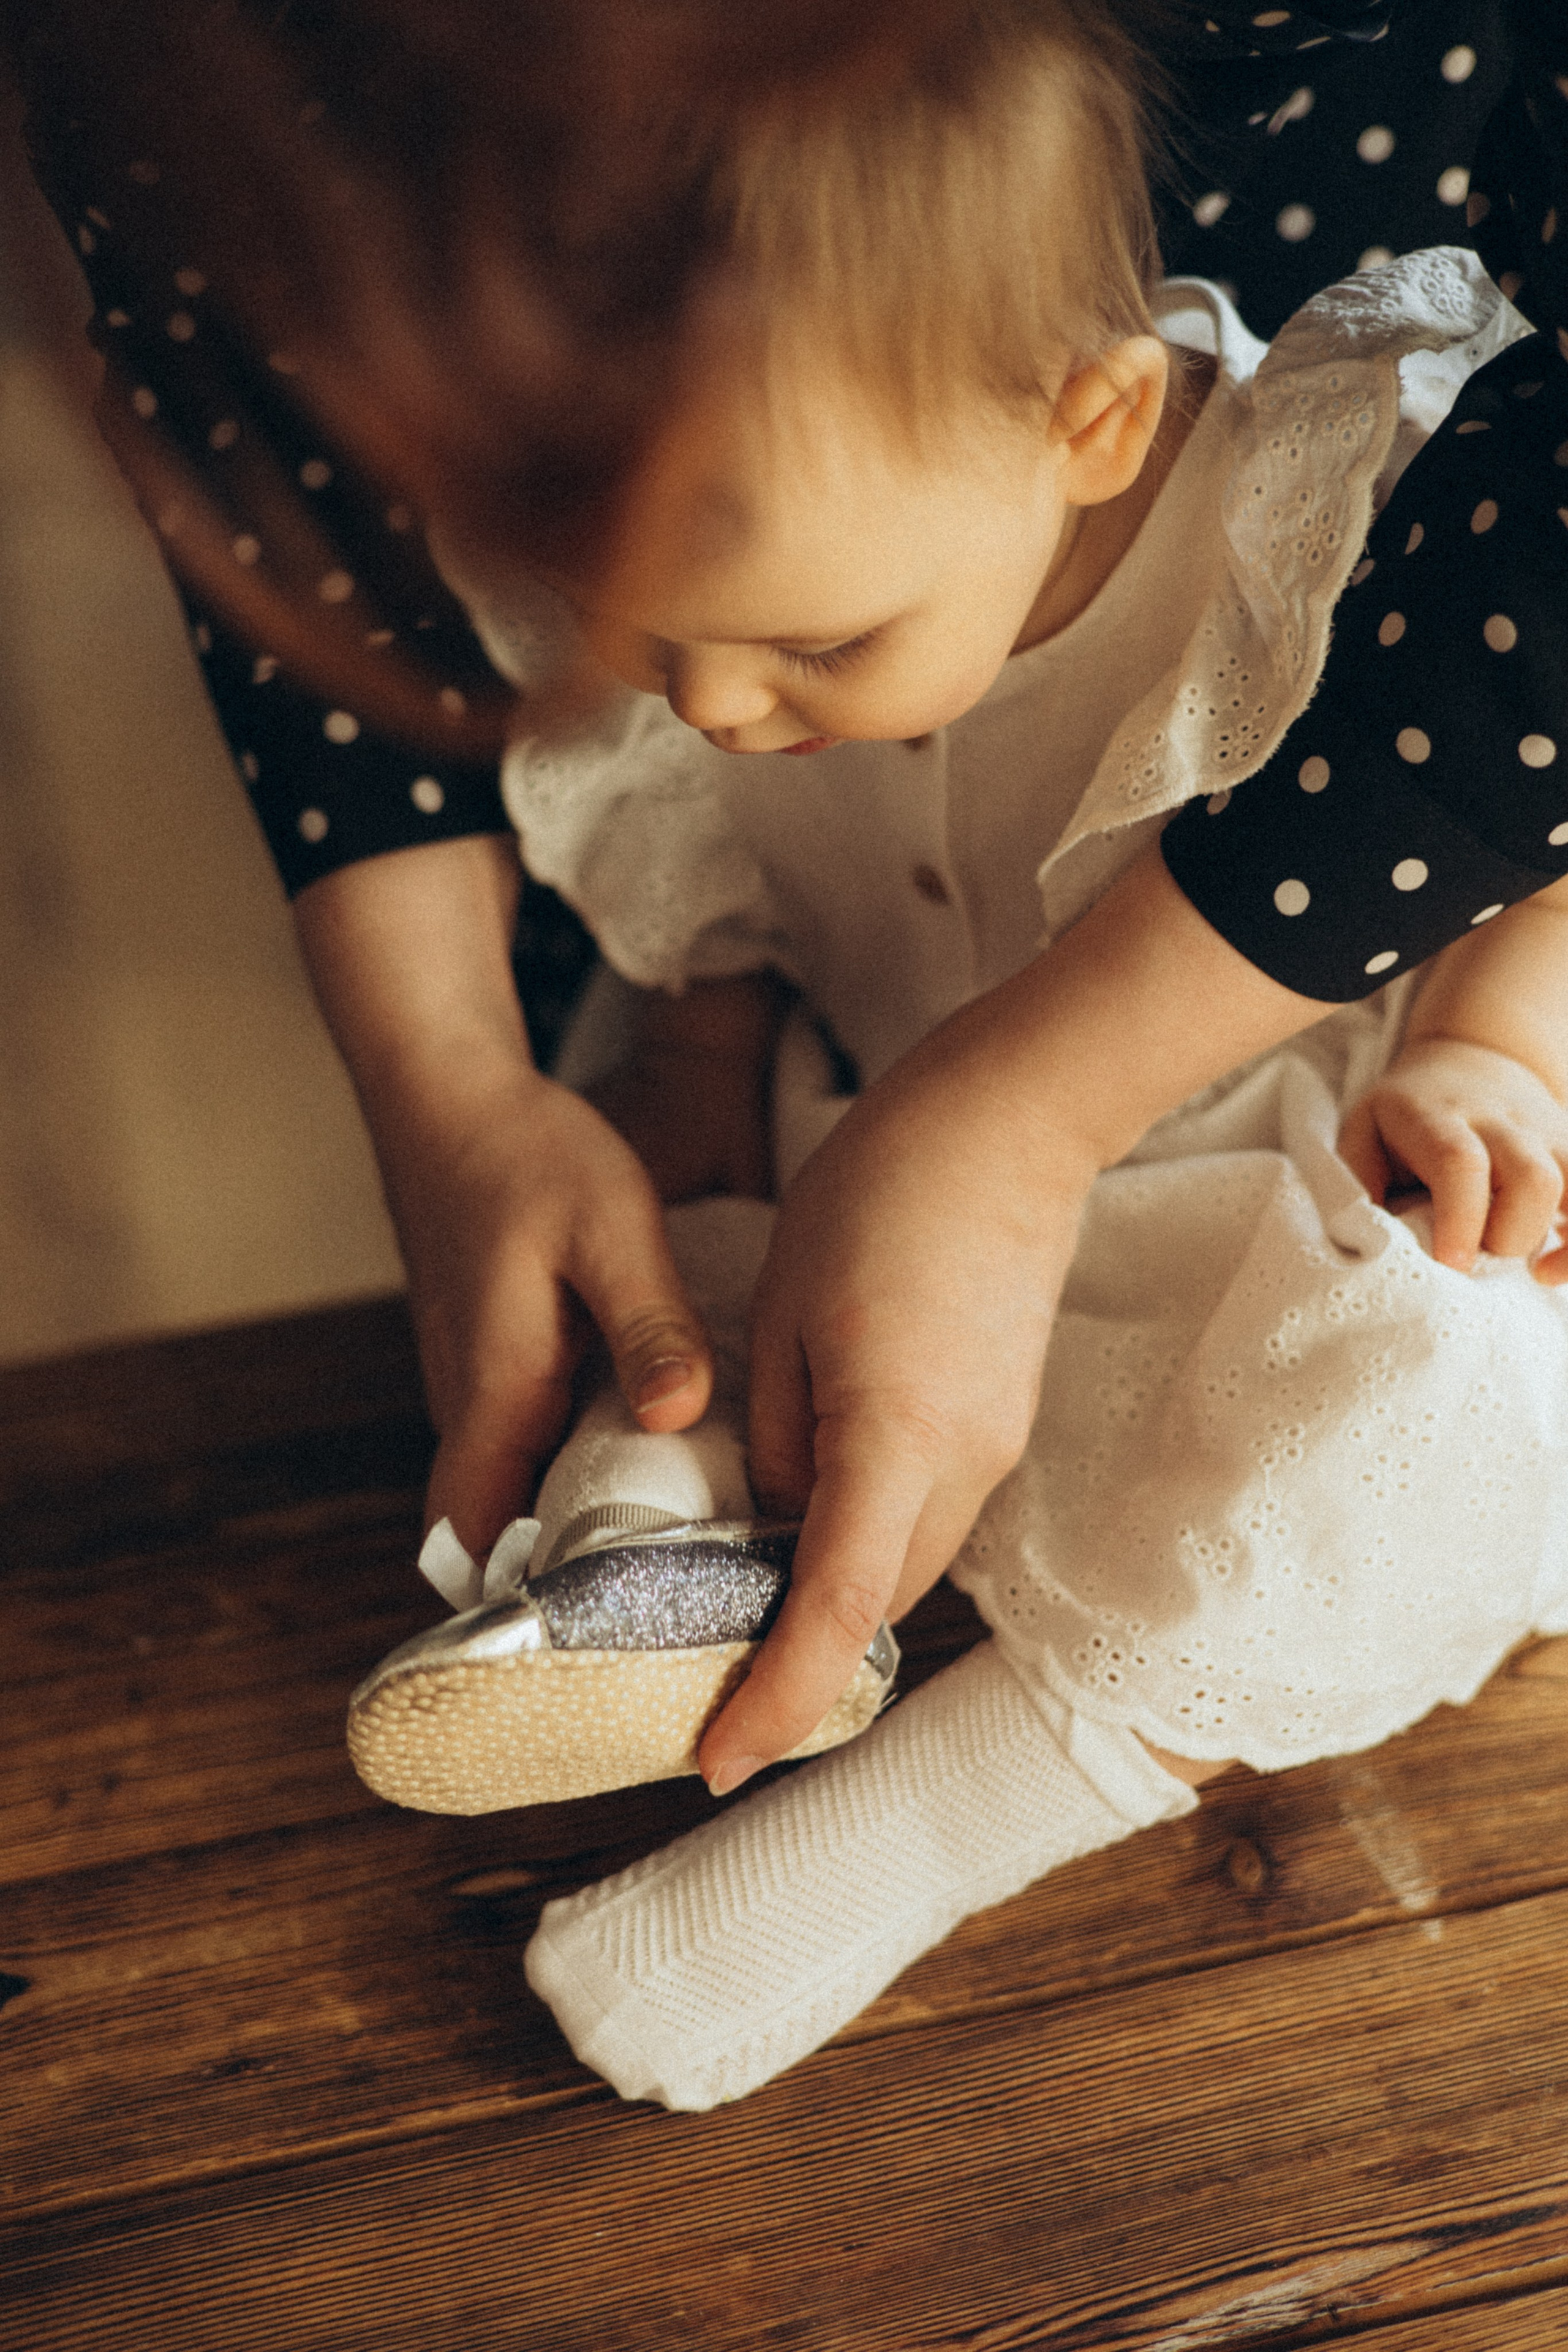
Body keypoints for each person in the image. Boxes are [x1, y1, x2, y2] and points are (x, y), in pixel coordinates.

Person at [337, 0, 1568, 2106]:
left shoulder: (1324, 518)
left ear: (1090, 423)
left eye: (810, 647)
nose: (717, 706)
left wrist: (1495, 1058)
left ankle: (928, 1815)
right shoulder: (712, 545)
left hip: (1274, 1172)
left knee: (1430, 1368)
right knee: (669, 1256)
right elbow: (701, 874)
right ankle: (664, 1532)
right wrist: (692, 1079)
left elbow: (1533, 818)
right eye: (660, 644)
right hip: (877, 1151)